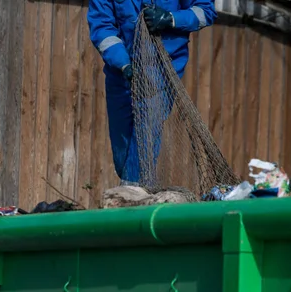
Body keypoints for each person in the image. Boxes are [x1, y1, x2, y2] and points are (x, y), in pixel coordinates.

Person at [88, 0, 216, 186]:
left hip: (163, 68)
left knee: (144, 136)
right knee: (122, 151)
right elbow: (102, 26)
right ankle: (133, 186)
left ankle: (132, 197)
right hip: (121, 73)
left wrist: (171, 19)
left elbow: (205, 11)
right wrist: (123, 64)